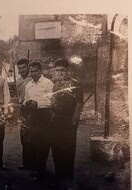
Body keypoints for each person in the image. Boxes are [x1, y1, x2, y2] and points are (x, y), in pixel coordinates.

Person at [50, 59, 83, 190]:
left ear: (67, 70)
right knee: (56, 150)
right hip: (55, 122)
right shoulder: (54, 85)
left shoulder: (76, 84)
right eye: (57, 70)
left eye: (62, 70)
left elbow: (79, 104)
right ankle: (58, 179)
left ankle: (68, 181)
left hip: (69, 122)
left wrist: (74, 120)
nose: (60, 73)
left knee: (68, 151)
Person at [22, 61, 54, 181]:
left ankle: (42, 169)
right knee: (33, 142)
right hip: (32, 116)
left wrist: (38, 104)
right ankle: (36, 168)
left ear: (41, 71)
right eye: (31, 71)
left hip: (44, 115)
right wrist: (27, 103)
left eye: (36, 71)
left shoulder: (48, 83)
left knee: (43, 143)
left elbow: (52, 101)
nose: (33, 73)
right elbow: (26, 99)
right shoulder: (28, 85)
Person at [15, 57, 33, 170]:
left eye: (24, 67)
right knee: (23, 136)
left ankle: (35, 164)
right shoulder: (18, 80)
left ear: (28, 66)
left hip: (34, 110)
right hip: (23, 110)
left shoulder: (33, 77)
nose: (22, 70)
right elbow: (19, 96)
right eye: (20, 68)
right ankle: (26, 162)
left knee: (34, 137)